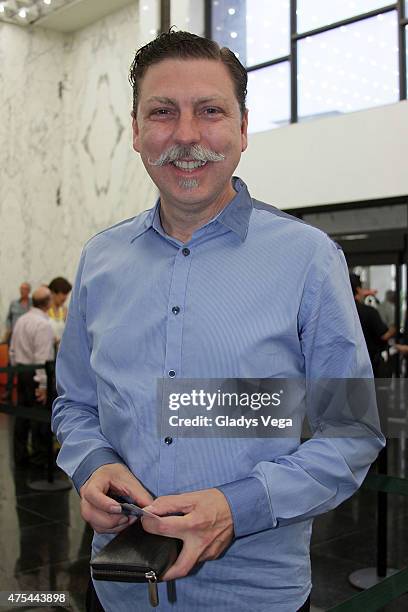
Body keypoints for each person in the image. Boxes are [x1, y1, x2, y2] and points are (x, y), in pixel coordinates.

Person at [52, 31, 384, 612]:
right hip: (120, 590)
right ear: (135, 131)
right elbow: (75, 405)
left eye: (209, 111)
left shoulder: (308, 259)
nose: (185, 135)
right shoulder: (99, 261)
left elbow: (351, 431)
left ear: (243, 128)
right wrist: (93, 464)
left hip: (258, 595)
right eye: (162, 112)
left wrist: (238, 505)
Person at [10, 286, 55, 465]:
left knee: (22, 415)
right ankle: (41, 458)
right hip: (36, 374)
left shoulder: (21, 320)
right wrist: (43, 385)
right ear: (48, 302)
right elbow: (42, 357)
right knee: (40, 417)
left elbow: (13, 350)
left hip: (21, 371)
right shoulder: (43, 324)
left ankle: (20, 456)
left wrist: (16, 369)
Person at [350, 273, 394, 377]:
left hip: (347, 369)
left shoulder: (339, 313)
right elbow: (384, 335)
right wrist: (394, 327)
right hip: (369, 365)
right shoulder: (369, 312)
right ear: (359, 289)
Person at [1, 282, 32, 401]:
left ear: (28, 291)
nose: (22, 291)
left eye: (24, 289)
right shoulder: (14, 303)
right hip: (13, 337)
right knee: (11, 362)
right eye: (21, 289)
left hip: (26, 338)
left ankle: (23, 391)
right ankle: (8, 390)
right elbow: (8, 318)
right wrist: (9, 329)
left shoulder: (32, 304)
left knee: (25, 363)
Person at [48, 277, 72, 343]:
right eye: (63, 293)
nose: (65, 297)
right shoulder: (44, 311)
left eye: (67, 294)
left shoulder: (65, 311)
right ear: (53, 292)